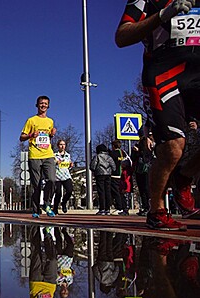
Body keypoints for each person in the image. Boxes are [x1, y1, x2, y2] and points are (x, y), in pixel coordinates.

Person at [116, 0, 199, 230]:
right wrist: (163, 15)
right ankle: (157, 210)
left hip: (197, 73)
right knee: (173, 147)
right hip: (165, 74)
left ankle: (184, 176)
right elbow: (122, 36)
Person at [19, 96, 57, 218]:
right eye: (41, 103)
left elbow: (47, 138)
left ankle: (47, 204)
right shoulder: (31, 120)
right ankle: (36, 210)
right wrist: (31, 135)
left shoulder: (50, 121)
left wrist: (51, 135)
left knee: (51, 180)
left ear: (48, 106)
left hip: (48, 154)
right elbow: (21, 137)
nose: (43, 105)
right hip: (34, 155)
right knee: (36, 184)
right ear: (37, 105)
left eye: (45, 104)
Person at [90, 144, 116, 215]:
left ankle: (102, 208)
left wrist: (95, 170)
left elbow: (92, 166)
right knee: (108, 191)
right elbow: (114, 166)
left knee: (101, 191)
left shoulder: (97, 157)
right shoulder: (109, 157)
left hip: (99, 175)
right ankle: (108, 209)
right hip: (108, 175)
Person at [52, 139, 74, 214]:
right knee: (58, 193)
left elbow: (68, 165)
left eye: (64, 144)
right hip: (57, 176)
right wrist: (56, 163)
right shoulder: (54, 155)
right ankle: (55, 208)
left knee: (69, 190)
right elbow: (51, 165)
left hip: (66, 175)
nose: (62, 146)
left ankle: (64, 203)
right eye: (61, 144)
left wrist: (71, 165)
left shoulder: (68, 155)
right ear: (58, 146)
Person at [109, 140, 129, 215]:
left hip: (114, 175)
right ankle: (125, 208)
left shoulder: (112, 154)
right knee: (122, 192)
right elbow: (128, 161)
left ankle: (119, 207)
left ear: (113, 146)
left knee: (116, 192)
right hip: (123, 175)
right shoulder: (123, 153)